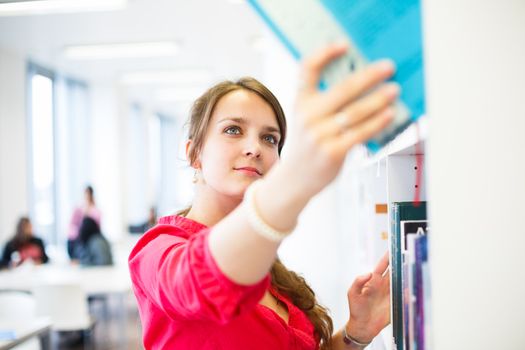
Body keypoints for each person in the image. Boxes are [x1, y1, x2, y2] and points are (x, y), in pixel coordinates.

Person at [129, 43, 396, 349]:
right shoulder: (157, 252)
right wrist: (293, 180)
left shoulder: (265, 264)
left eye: (270, 138)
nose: (255, 148)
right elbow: (201, 282)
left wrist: (356, 333)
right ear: (194, 154)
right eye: (233, 130)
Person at [67, 185, 102, 259]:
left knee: (87, 222)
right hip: (79, 235)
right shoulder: (78, 209)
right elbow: (72, 225)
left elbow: (97, 226)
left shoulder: (96, 210)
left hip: (90, 234)